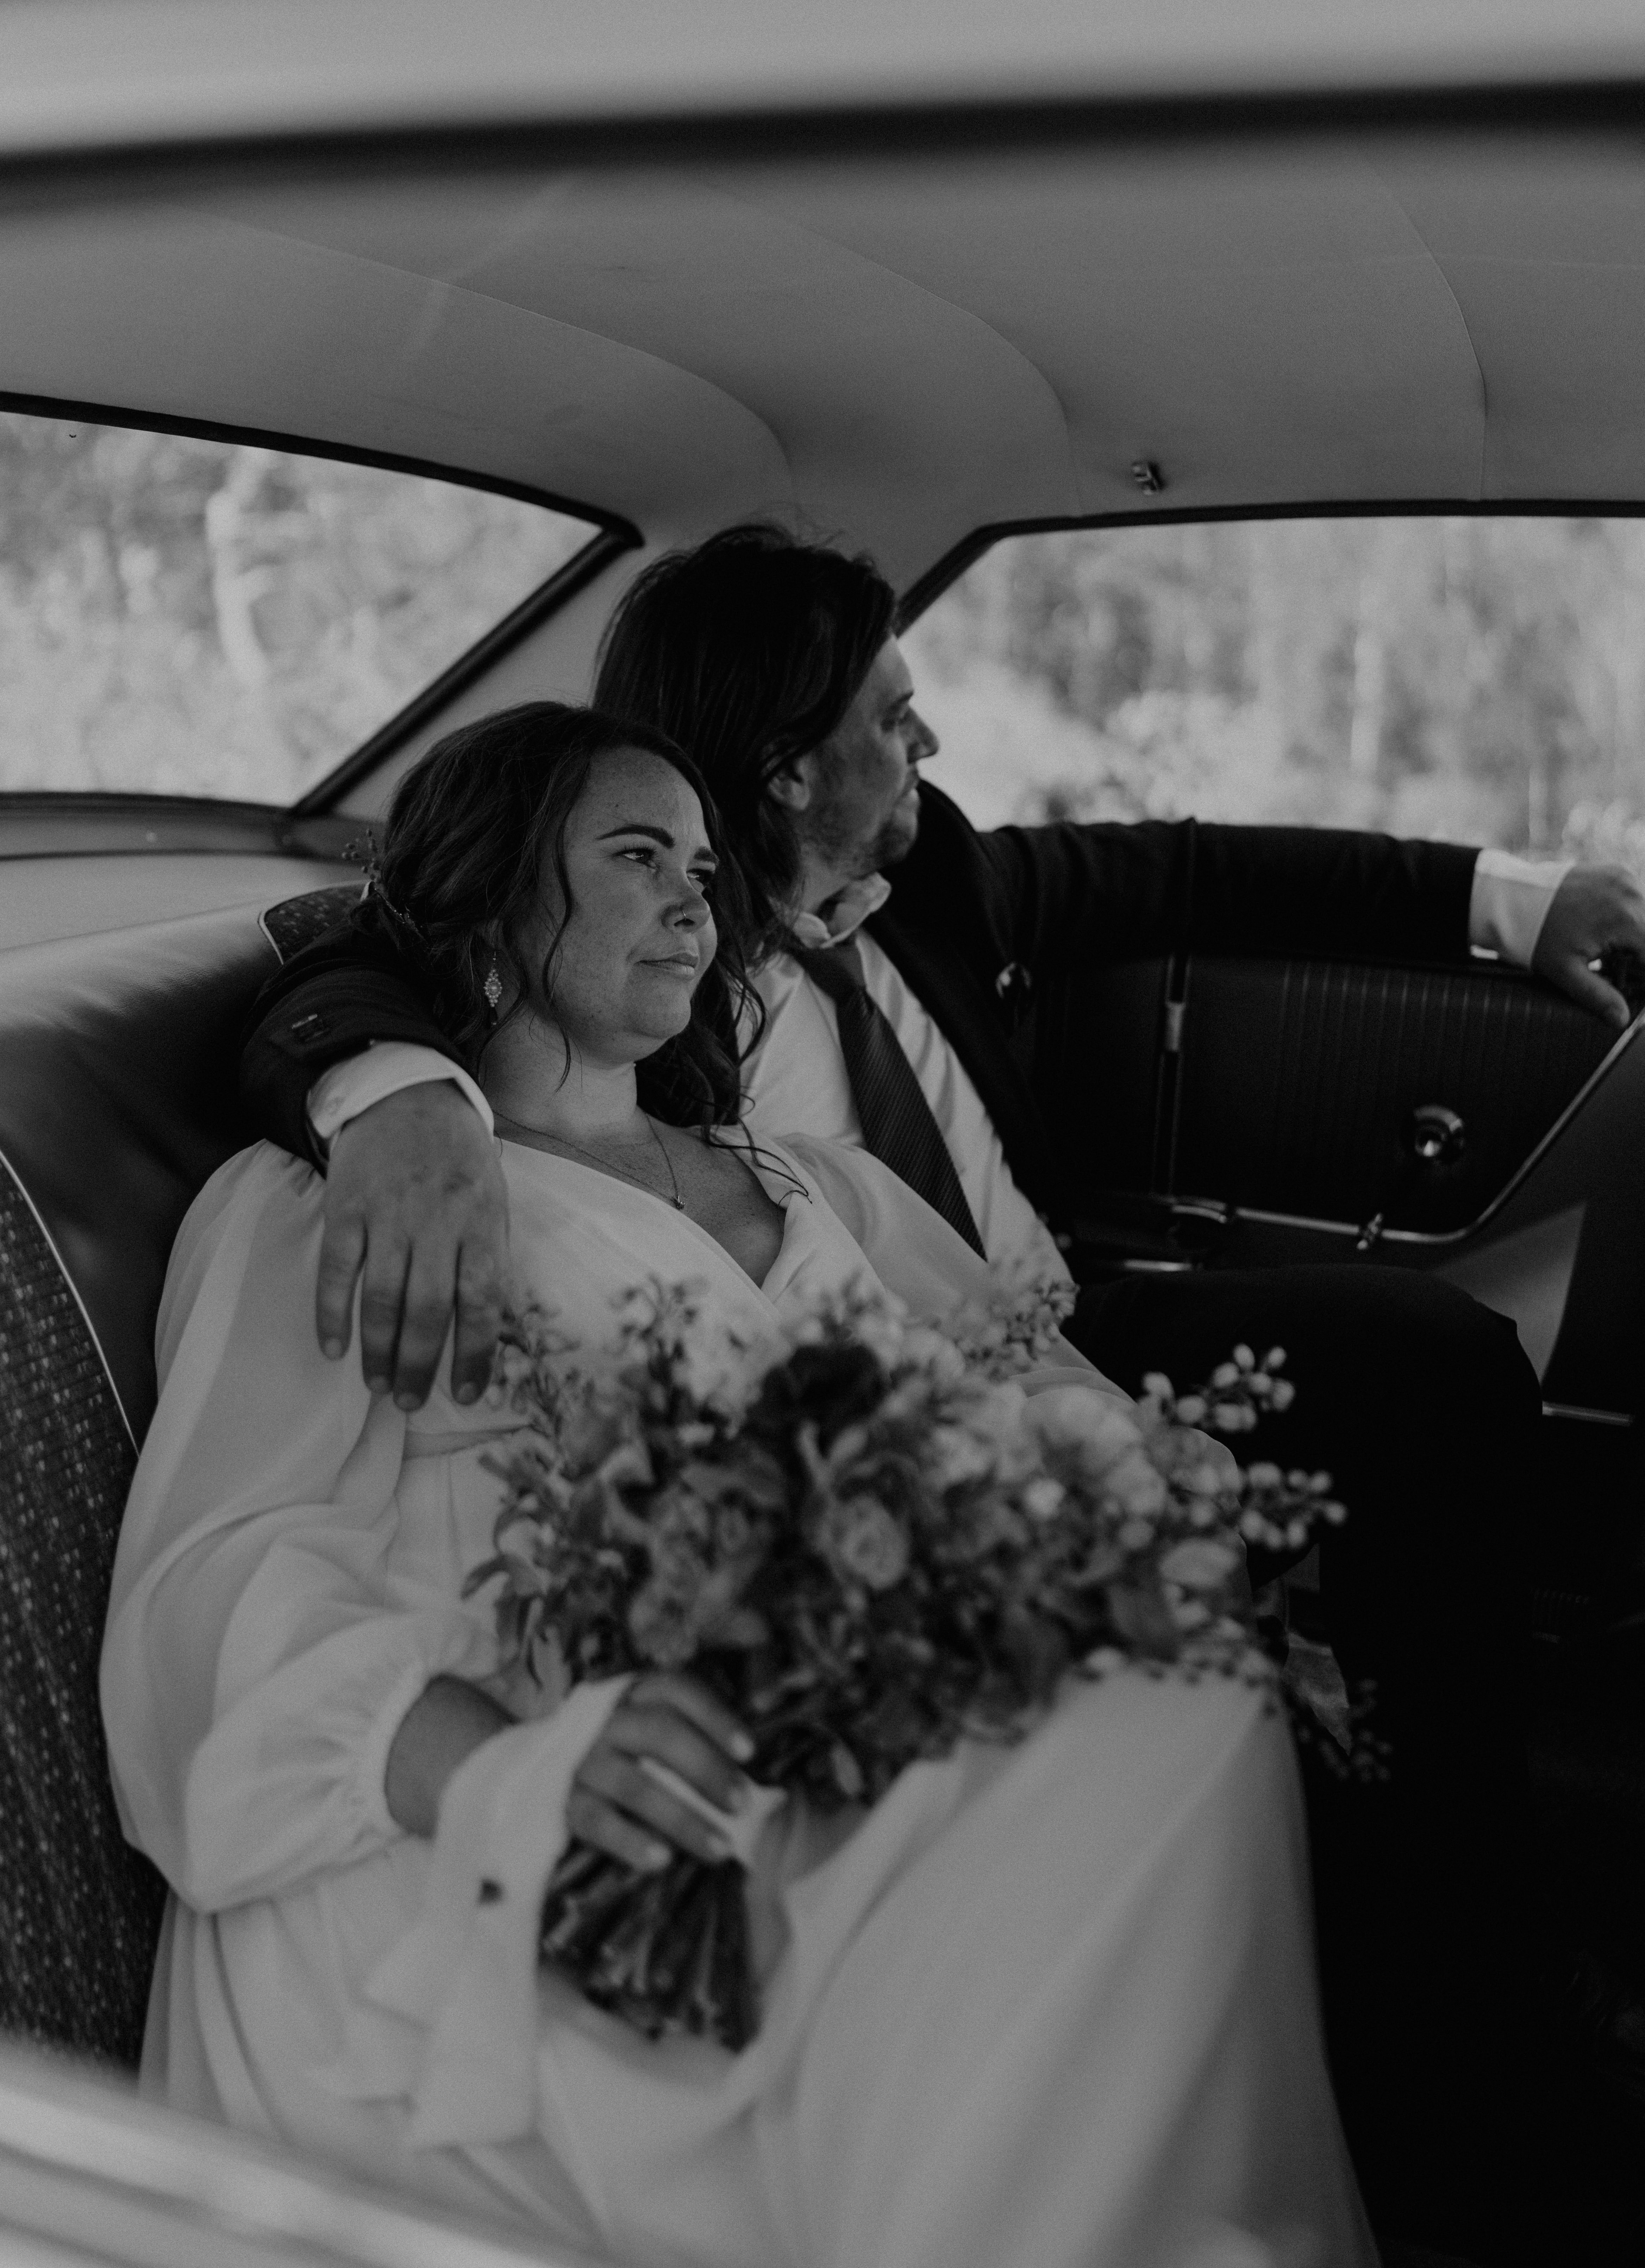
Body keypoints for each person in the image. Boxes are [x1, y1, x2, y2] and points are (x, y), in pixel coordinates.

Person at [242, 524, 1645, 2256]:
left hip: (1006, 1320)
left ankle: (1452, 1952)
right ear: (784, 759)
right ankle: (1447, 2028)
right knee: (1398, 1397)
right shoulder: (510, 1040)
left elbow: (1200, 869)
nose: (926, 752)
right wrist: (393, 1083)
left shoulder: (932, 883)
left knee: (1409, 1396)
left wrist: (1518, 900)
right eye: (891, 719)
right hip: (836, 1415)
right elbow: (359, 955)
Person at [104, 704, 1378, 2268]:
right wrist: (495, 1766)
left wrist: (1141, 1477)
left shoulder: (815, 1183)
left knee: (1185, 1707)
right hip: (541, 1788)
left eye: (704, 865)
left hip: (846, 1718)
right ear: (494, 901)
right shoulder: (354, 1199)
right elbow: (212, 1575)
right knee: (1154, 1748)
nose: (698, 900)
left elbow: (1031, 1381)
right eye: (636, 856)